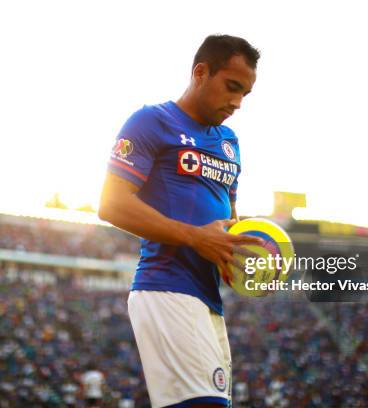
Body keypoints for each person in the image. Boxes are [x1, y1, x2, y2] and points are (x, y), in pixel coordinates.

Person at [99, 34, 261, 408]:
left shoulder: (230, 143)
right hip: (166, 287)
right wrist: (195, 237)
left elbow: (228, 223)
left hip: (208, 299)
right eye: (231, 87)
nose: (237, 103)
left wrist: (246, 255)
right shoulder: (151, 121)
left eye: (245, 94)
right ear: (201, 72)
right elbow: (111, 204)